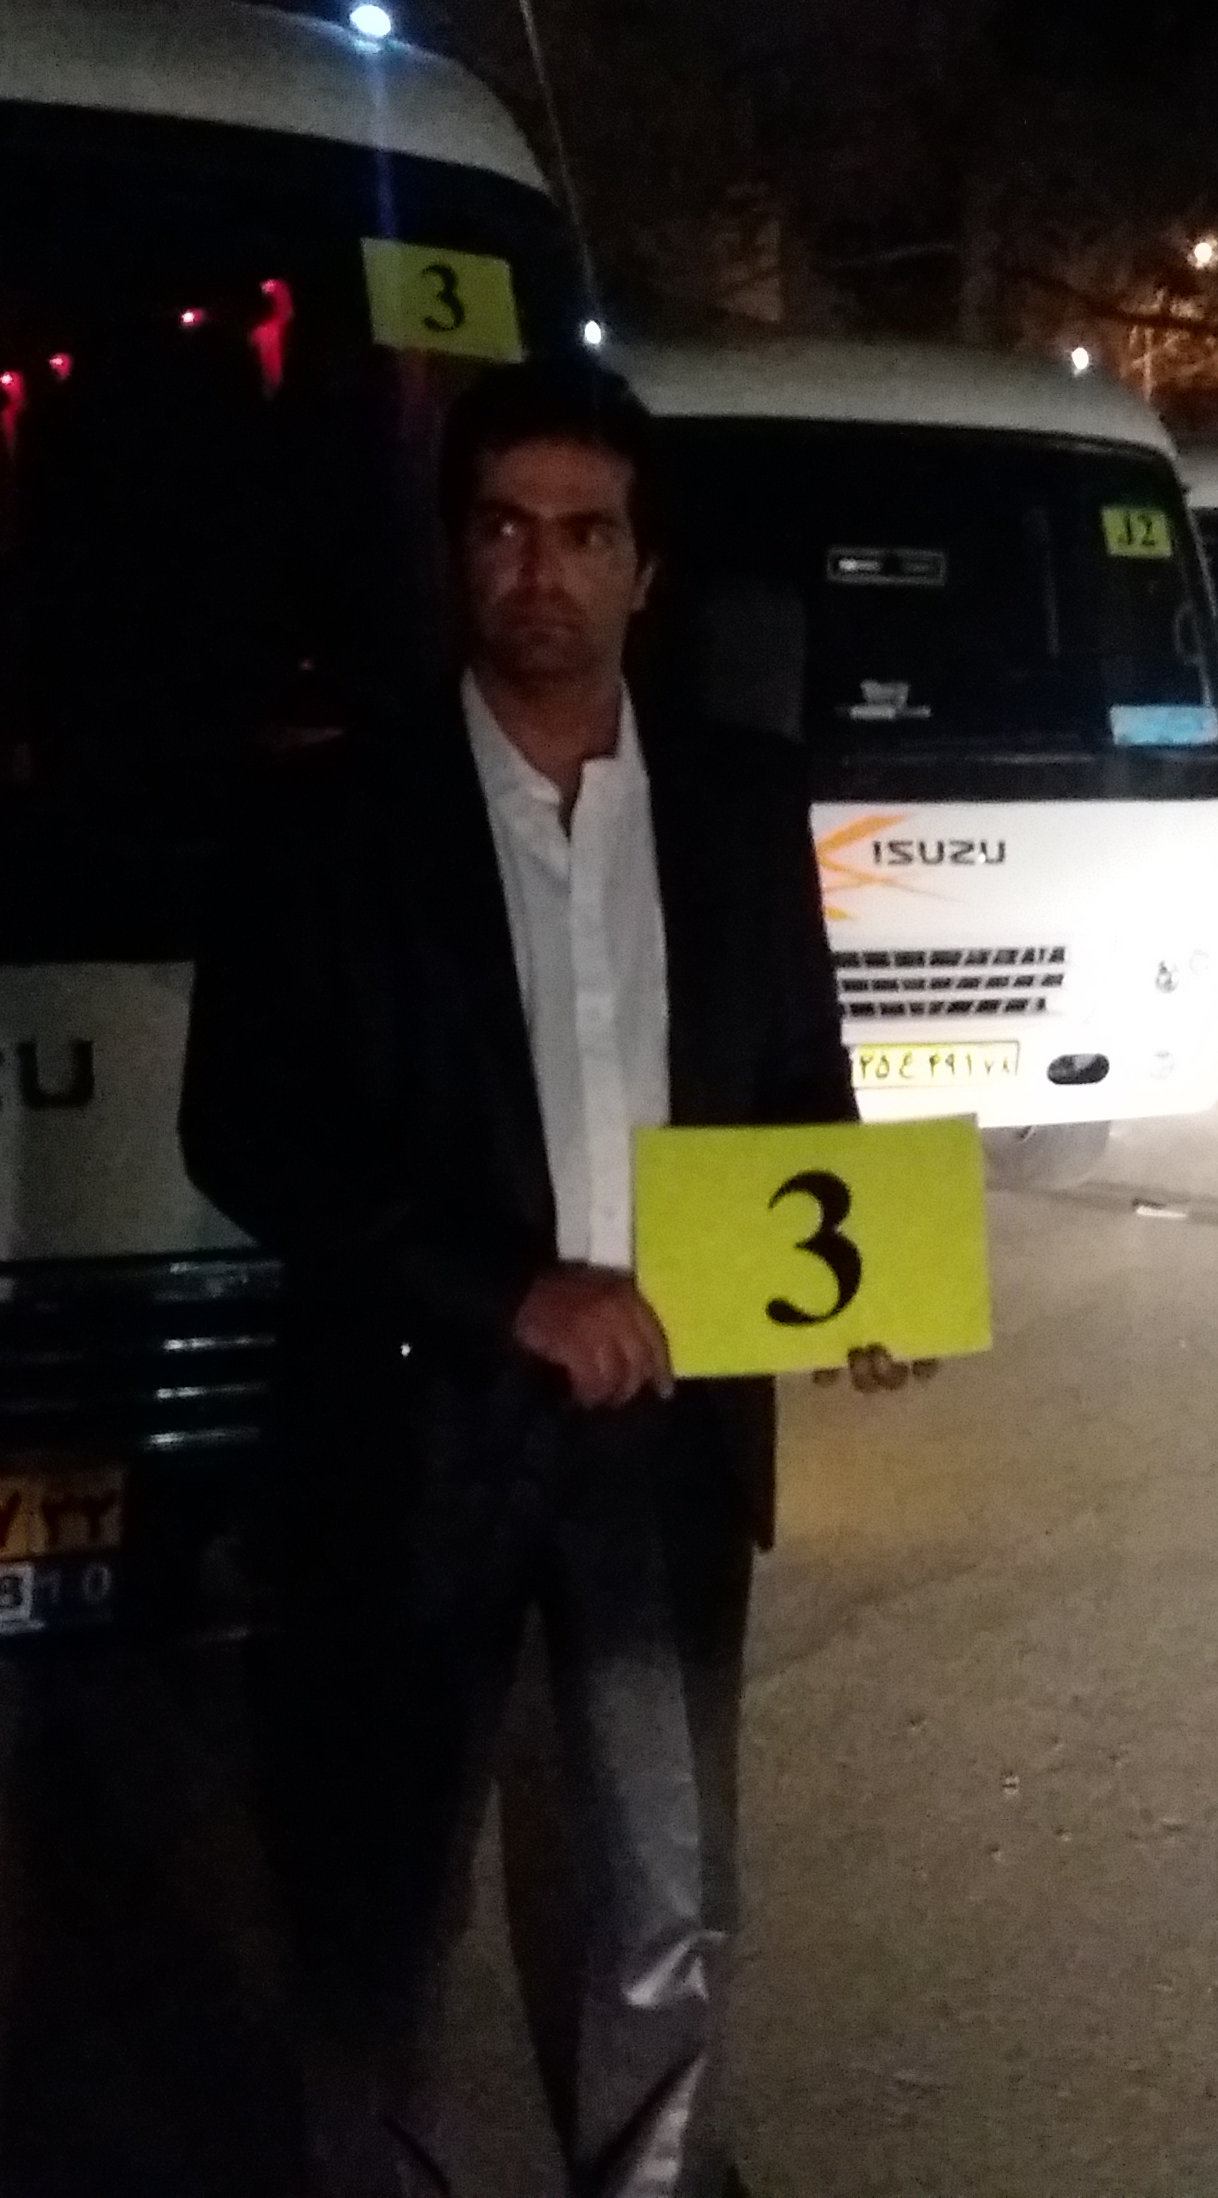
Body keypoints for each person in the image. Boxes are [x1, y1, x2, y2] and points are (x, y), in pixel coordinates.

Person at [181, 356, 920, 2198]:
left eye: (586, 533)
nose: (542, 570)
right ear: (456, 553)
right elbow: (245, 1128)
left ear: (644, 571)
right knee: (385, 1895)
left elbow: (797, 1079)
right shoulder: (326, 818)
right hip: (410, 1428)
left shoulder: (740, 803)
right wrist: (506, 1287)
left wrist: (861, 1276)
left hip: (665, 1438)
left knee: (669, 1888)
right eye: (505, 528)